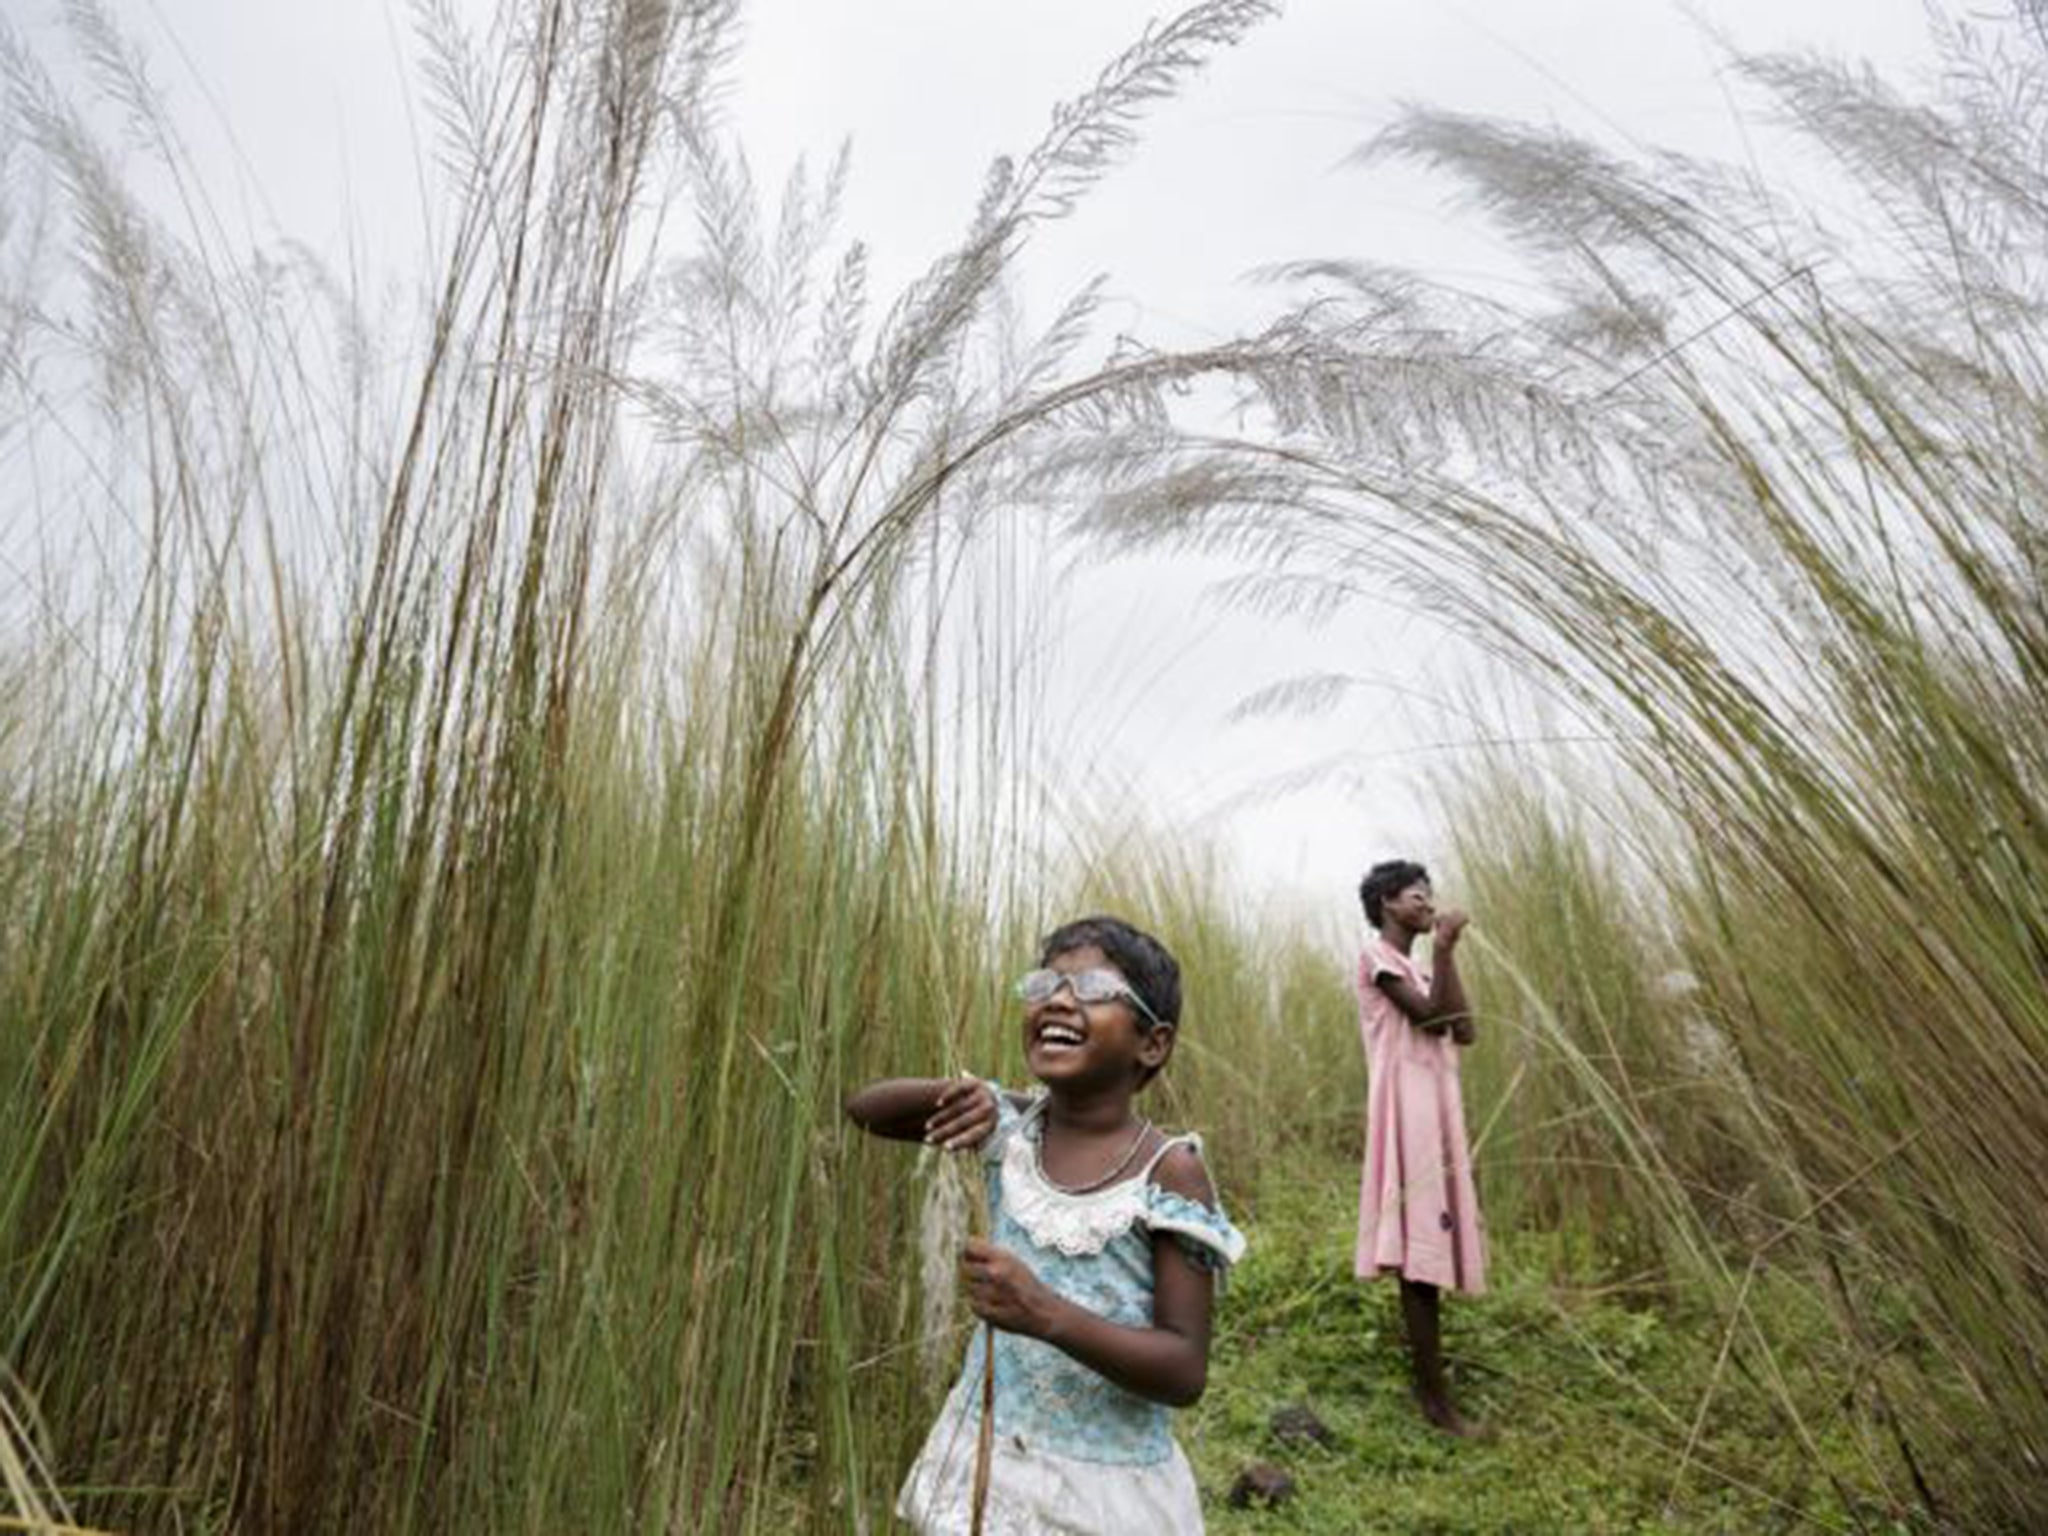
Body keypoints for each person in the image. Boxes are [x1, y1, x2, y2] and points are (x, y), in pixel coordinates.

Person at [844, 915, 1245, 1534]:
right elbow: (865, 1110)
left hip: (1099, 1487)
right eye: (1045, 985)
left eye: (1091, 988)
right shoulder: (1009, 1131)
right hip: (989, 1455)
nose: (1058, 999)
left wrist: (1046, 1313)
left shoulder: (1169, 1172)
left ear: (1152, 1043)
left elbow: (1184, 1369)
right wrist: (957, 1092)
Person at [1354, 859, 1486, 1435]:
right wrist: (1448, 950)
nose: (1428, 902)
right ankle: (1436, 1404)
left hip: (1435, 1112)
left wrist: (1445, 959)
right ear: (1387, 902)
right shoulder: (1378, 959)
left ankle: (1437, 1395)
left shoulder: (1422, 968)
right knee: (1416, 1258)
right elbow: (1430, 1020)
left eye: (1430, 893)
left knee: (1428, 1249)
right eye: (1416, 894)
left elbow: (1464, 1027)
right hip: (1404, 1113)